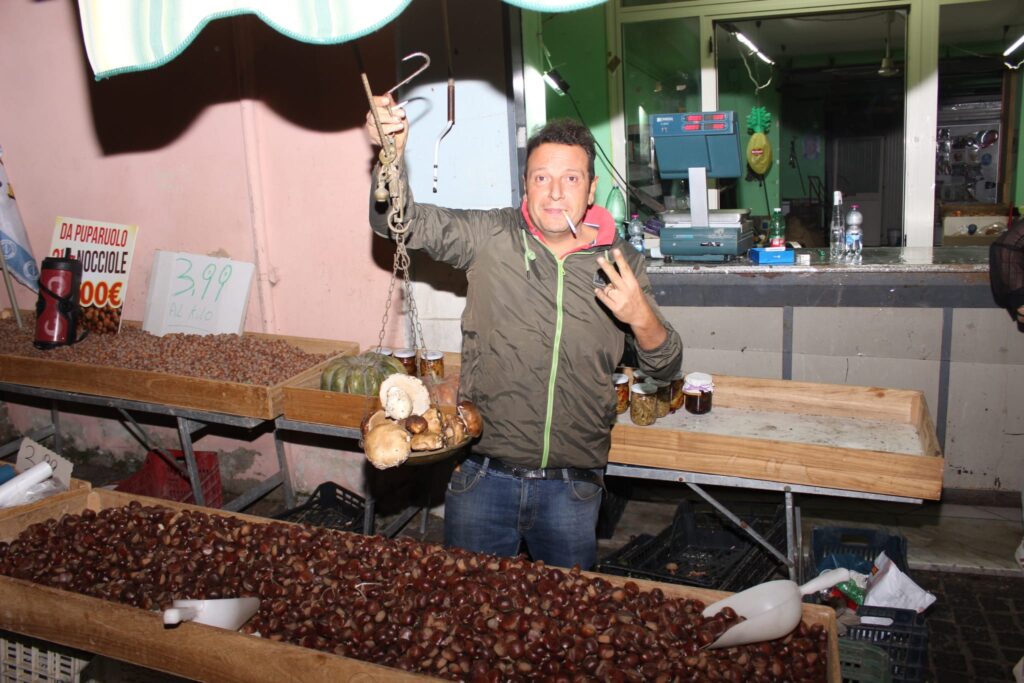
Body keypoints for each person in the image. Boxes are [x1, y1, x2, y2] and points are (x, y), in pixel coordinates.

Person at [365, 94, 682, 569]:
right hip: (483, 477)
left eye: (570, 179)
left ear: (591, 189)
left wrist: (641, 317)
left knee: (565, 626)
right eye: (542, 178)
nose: (555, 193)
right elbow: (402, 224)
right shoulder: (493, 237)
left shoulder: (620, 265)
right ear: (526, 186)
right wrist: (390, 156)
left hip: (572, 488)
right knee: (471, 617)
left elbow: (667, 363)